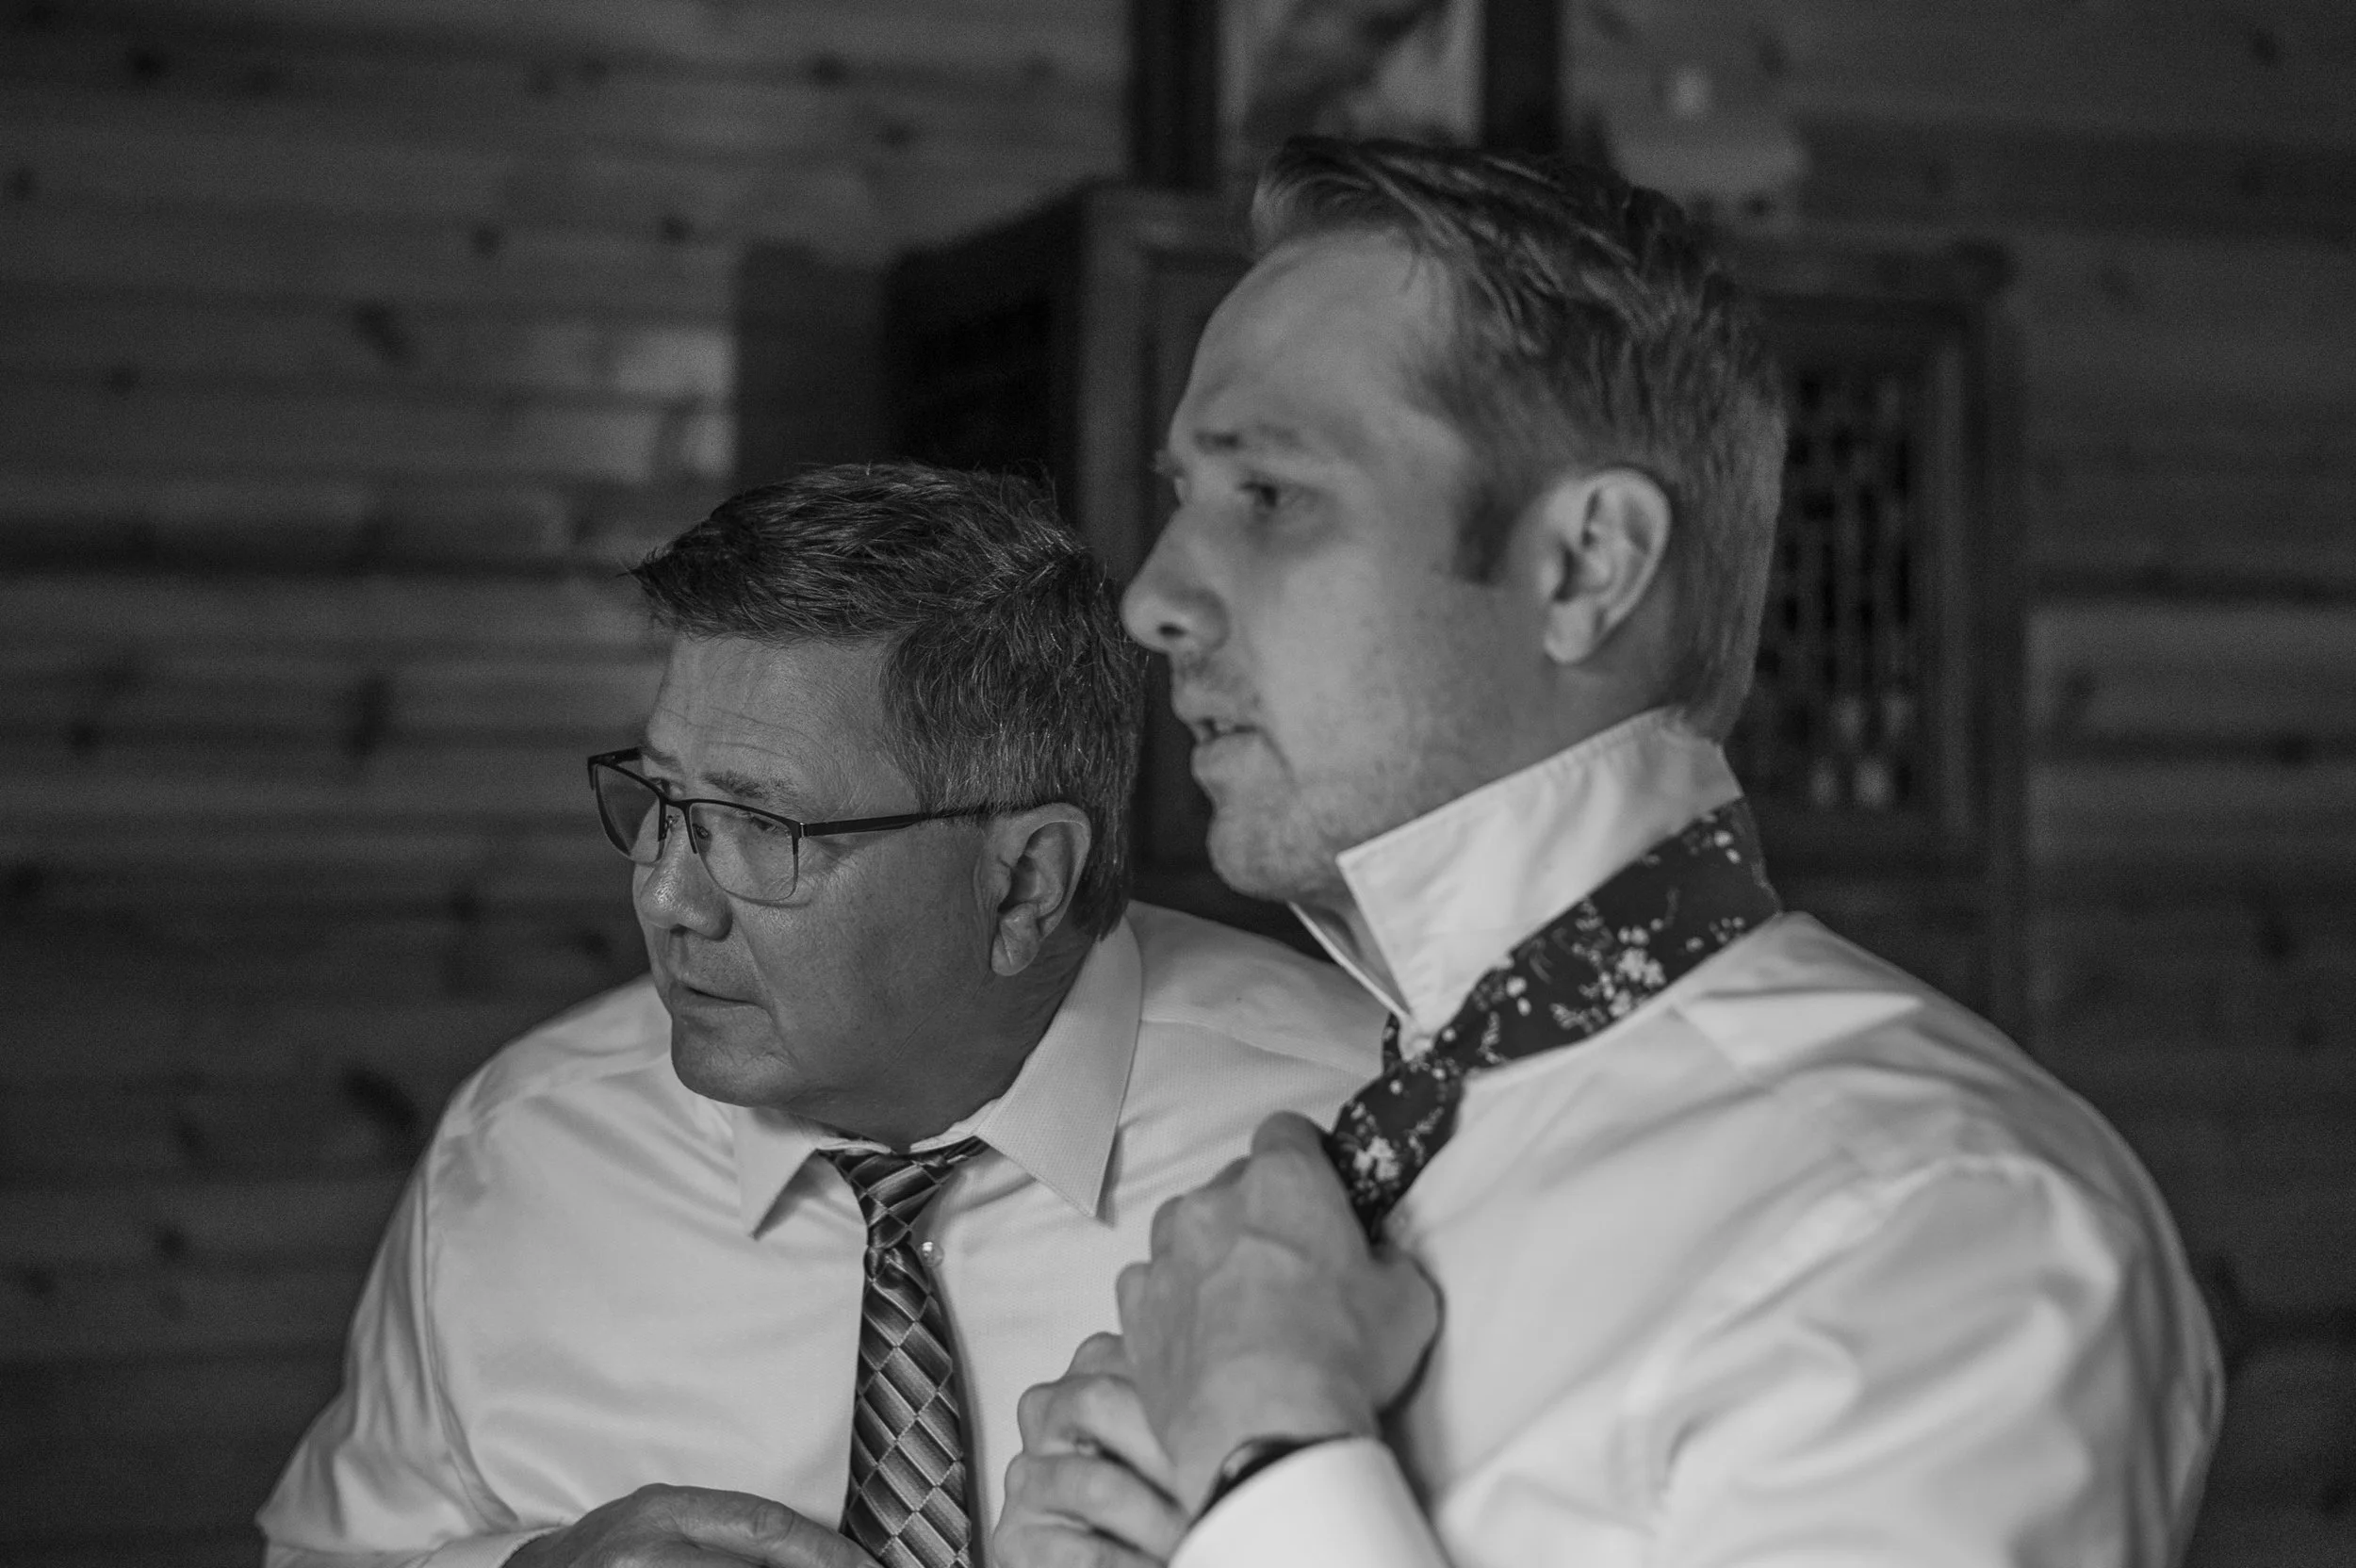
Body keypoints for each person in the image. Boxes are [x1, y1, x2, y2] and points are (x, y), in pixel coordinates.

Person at [995, 139, 2223, 1568]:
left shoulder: (1938, 1223)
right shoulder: (1353, 1162)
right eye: (1179, 499)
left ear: (1586, 566)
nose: (1151, 596)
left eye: (1268, 494)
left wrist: (1272, 1457)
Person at [258, 464, 1383, 1568]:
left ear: (1025, 881)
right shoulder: (520, 1147)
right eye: (660, 798)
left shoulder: (1361, 1122)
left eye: (762, 827)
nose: (663, 895)